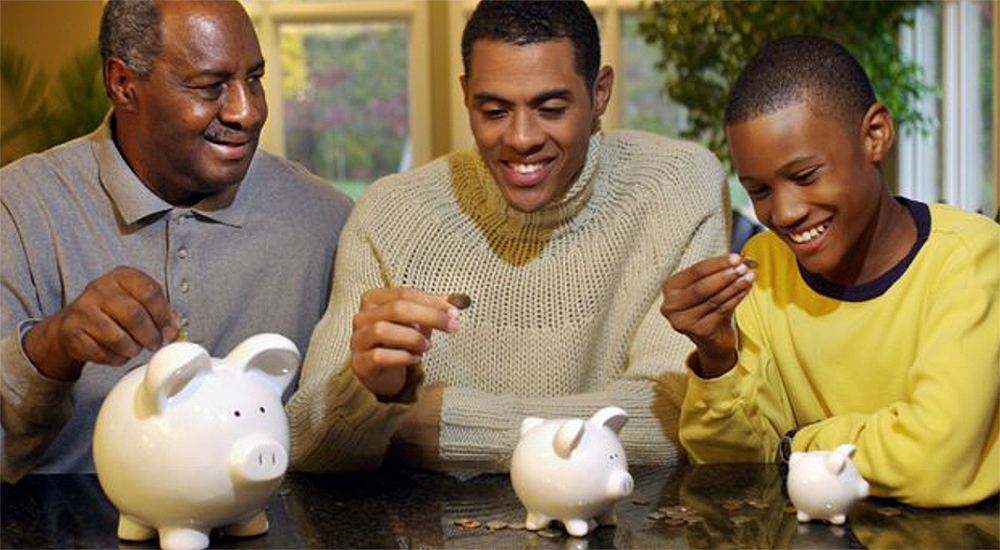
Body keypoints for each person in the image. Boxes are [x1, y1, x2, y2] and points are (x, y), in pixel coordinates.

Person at [286, 0, 728, 473]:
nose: (521, 138)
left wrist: (434, 425)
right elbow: (306, 445)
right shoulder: (391, 214)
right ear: (466, 95)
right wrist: (367, 389)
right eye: (494, 111)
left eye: (550, 109)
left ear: (600, 92)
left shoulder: (677, 187)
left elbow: (674, 421)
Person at [0, 0, 352, 483]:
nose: (247, 112)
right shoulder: (18, 208)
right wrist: (52, 347)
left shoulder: (326, 219)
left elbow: (348, 439)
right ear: (122, 83)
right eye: (210, 86)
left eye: (253, 79)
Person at [661, 35, 998, 506]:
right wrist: (717, 356)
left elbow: (931, 463)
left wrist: (794, 445)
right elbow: (735, 470)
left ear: (874, 135)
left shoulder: (971, 256)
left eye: (805, 176)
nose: (785, 212)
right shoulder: (765, 269)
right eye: (759, 191)